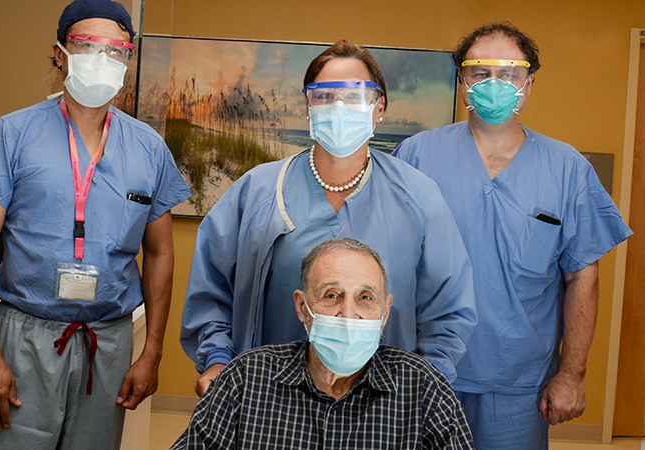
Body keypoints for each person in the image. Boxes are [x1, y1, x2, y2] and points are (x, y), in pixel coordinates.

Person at [181, 39, 477, 397]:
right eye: (324, 96)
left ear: (379, 107)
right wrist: (216, 358)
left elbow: (448, 307)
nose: (339, 107)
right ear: (308, 106)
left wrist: (427, 382)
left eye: (355, 96)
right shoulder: (259, 190)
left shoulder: (418, 196)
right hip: (270, 394)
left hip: (385, 400)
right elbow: (211, 287)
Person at [0, 0, 190, 448]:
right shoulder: (13, 134)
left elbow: (161, 252)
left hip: (109, 341)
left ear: (129, 58)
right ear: (61, 52)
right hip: (25, 335)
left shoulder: (149, 148)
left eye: (115, 49)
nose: (101, 60)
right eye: (86, 45)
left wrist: (152, 351)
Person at [393, 22, 632, 449]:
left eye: (509, 73)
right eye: (480, 72)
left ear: (529, 82)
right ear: (462, 81)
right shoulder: (417, 155)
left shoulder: (566, 168)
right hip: (424, 372)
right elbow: (384, 262)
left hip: (519, 387)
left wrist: (572, 374)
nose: (494, 83)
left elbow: (583, 276)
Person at [172, 238, 475, 449]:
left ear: (384, 313)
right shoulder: (245, 378)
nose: (348, 313)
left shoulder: (424, 387)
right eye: (332, 295)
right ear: (303, 308)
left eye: (365, 298)